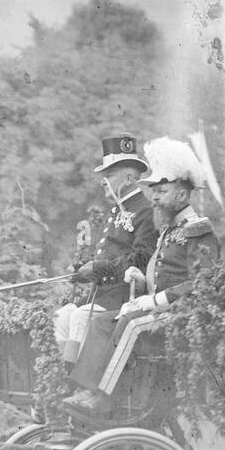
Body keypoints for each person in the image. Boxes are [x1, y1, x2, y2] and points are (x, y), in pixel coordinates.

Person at [63, 138, 218, 418]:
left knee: (130, 324)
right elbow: (164, 275)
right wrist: (143, 282)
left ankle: (105, 397)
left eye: (161, 192)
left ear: (182, 196)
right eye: (154, 191)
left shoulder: (198, 230)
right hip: (164, 307)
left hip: (186, 313)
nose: (154, 197)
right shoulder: (170, 230)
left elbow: (202, 283)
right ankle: (87, 388)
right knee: (100, 321)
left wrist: (153, 299)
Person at [54, 135, 156, 367]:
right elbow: (108, 256)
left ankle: (77, 380)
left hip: (125, 295)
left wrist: (98, 268)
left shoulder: (145, 212)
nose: (103, 182)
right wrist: (82, 270)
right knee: (63, 314)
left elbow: (141, 259)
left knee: (80, 316)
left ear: (129, 177)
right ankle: (66, 373)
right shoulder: (116, 212)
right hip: (104, 294)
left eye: (109, 175)